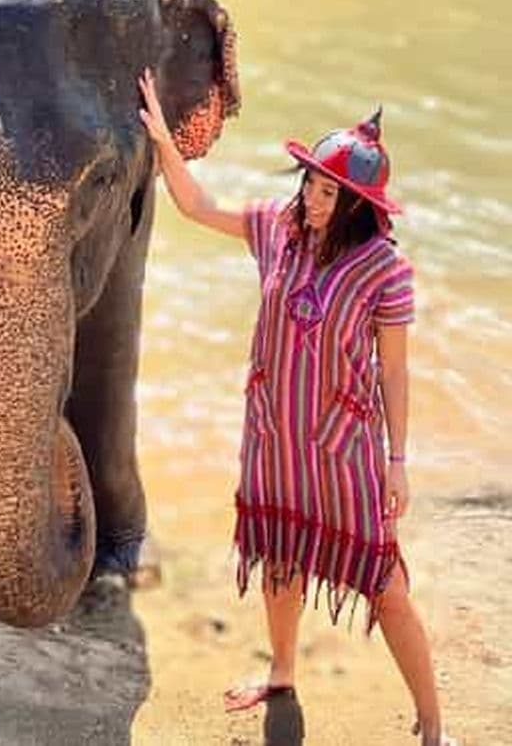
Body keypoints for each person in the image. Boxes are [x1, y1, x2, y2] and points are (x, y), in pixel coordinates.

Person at [137, 67, 455, 746]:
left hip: (344, 452)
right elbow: (196, 205)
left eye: (328, 189)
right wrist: (165, 138)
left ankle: (431, 725)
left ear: (357, 203)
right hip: (275, 437)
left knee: (385, 582)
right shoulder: (276, 230)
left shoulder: (384, 269)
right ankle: (282, 672)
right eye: (310, 180)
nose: (312, 196)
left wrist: (398, 462)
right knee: (279, 553)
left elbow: (393, 372)